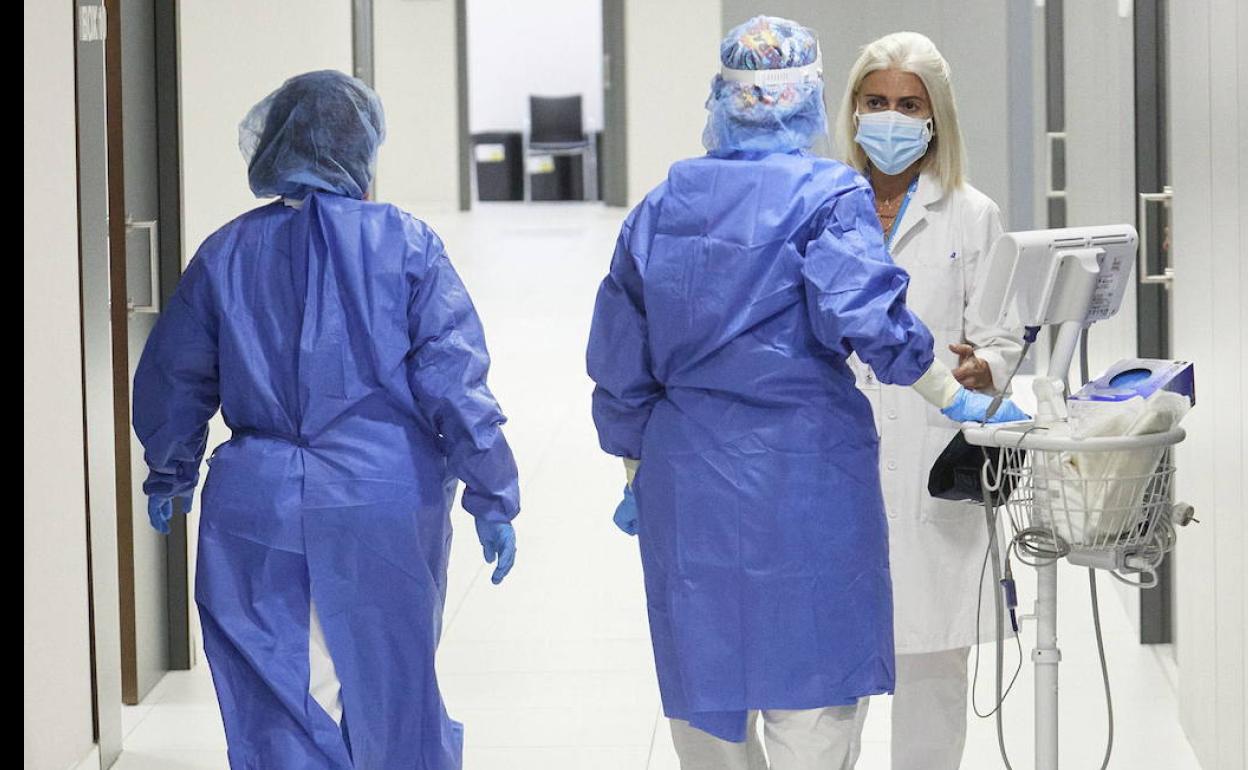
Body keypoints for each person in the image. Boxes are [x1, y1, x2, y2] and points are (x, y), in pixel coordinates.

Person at [588, 17, 1024, 770]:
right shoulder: (827, 196)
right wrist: (951, 395)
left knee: (709, 695)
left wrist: (634, 466)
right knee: (812, 704)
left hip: (689, 486)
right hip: (805, 482)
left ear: (723, 99)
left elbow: (621, 363)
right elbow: (869, 317)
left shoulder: (662, 207)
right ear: (816, 100)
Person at [132, 70, 519, 770]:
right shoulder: (406, 245)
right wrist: (492, 491)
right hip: (382, 501)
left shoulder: (227, 252)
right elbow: (455, 381)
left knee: (274, 687)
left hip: (258, 505)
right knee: (390, 684)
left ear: (276, 144)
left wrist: (170, 469)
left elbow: (175, 376)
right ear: (363, 148)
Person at [834, 31, 1025, 769]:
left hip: (929, 460)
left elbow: (1001, 338)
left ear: (936, 116)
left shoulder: (971, 214)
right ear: (852, 111)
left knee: (933, 678)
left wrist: (988, 368)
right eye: (876, 102)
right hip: (839, 458)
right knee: (829, 680)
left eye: (908, 105)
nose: (891, 118)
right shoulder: (824, 208)